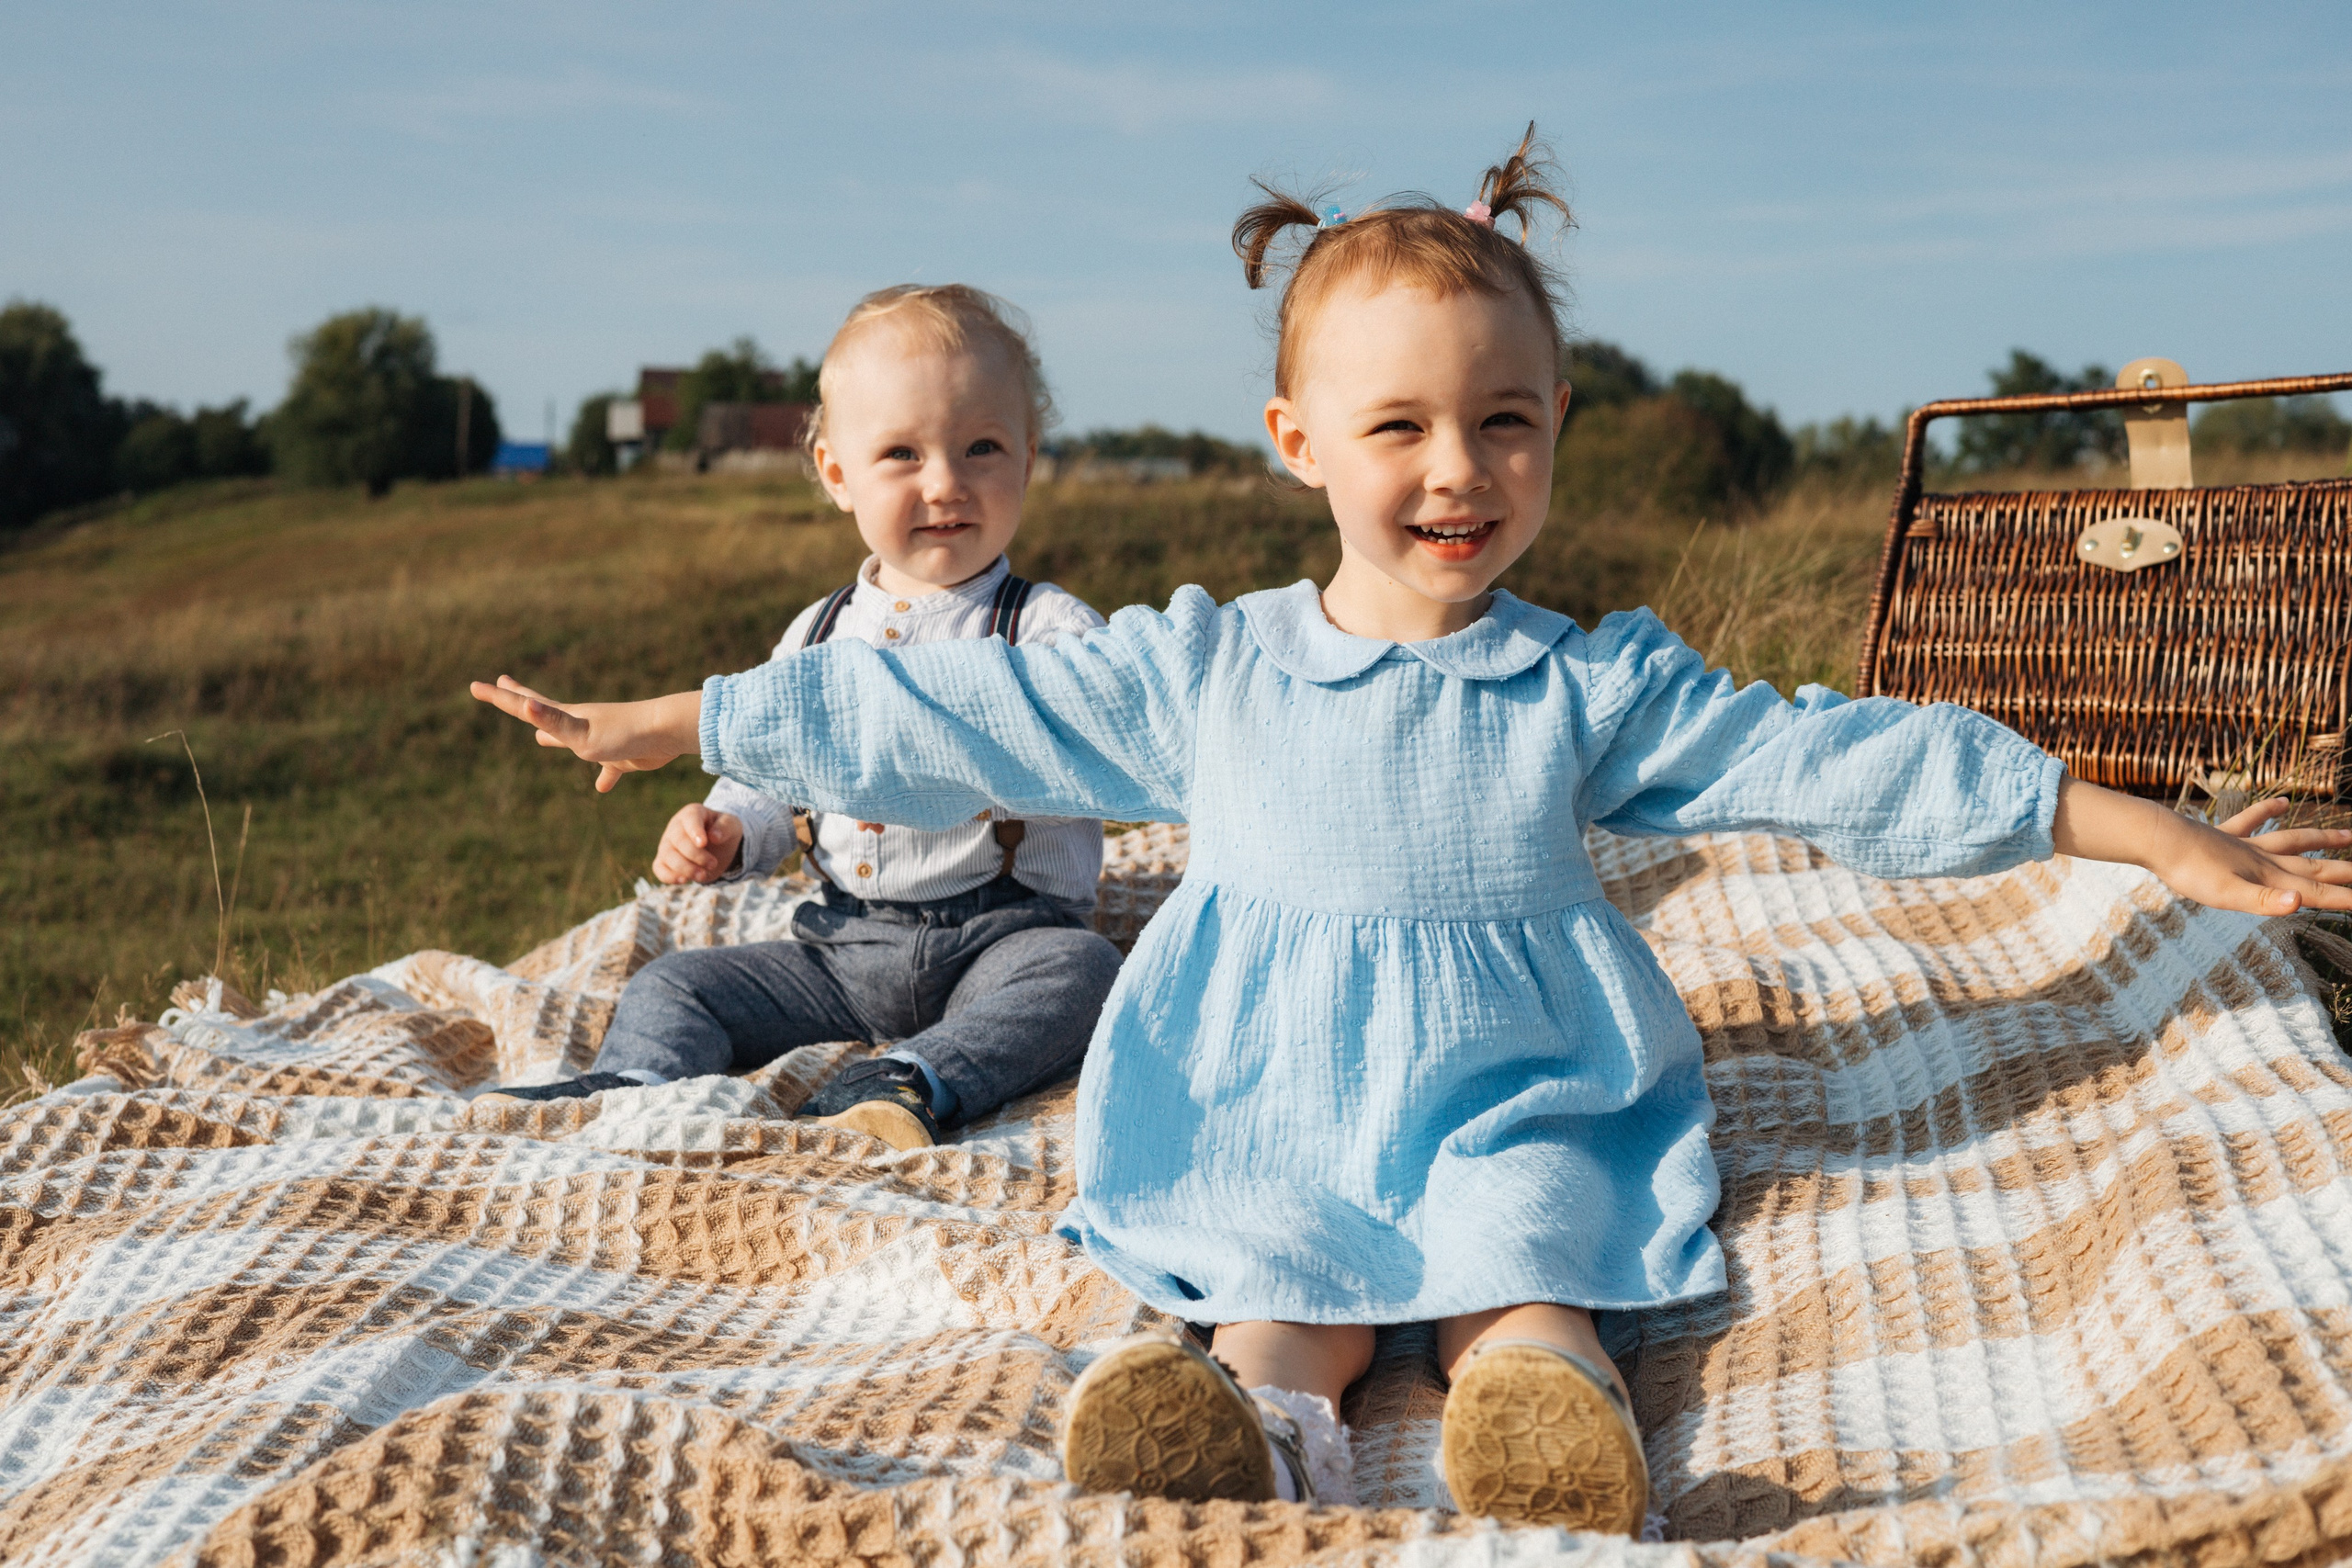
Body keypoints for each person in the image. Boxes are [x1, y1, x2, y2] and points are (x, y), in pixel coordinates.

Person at [468, 130, 2352, 1529]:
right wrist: (692, 719)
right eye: (1402, 429)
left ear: (1551, 433)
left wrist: (2142, 833)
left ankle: (1534, 1395)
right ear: (1296, 439)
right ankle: (1249, 1416)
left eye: (1507, 423)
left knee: (1531, 1232)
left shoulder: (1587, 683)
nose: (1459, 472)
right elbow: (934, 699)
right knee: (1270, 1256)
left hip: (1520, 1070)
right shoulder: (1202, 669)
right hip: (1268, 1069)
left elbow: (1835, 759)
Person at [480, 285, 1123, 1152]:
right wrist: (729, 828)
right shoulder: (817, 633)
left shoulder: (1047, 626)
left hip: (1002, 939)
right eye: (901, 453)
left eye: (982, 448)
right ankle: (635, 1085)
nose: (946, 482)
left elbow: (1094, 723)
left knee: (1085, 972)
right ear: (836, 472)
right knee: (677, 982)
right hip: (843, 948)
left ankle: (915, 1078)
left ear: (1029, 460)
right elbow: (769, 772)